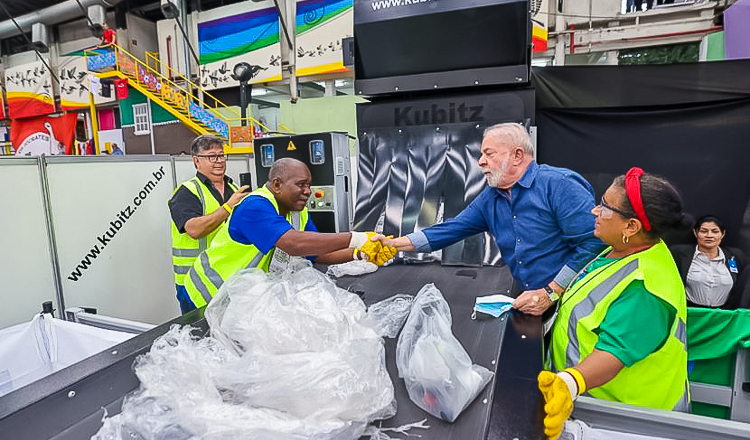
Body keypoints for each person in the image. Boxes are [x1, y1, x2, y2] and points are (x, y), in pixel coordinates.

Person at [529, 168, 690, 440]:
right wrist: (550, 294)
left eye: (604, 207)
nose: (594, 211)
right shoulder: (625, 249)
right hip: (597, 406)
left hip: (627, 421)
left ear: (631, 226)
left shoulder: (646, 289)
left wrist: (570, 382)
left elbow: (614, 353)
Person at [374, 123, 605, 307]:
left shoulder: (560, 185)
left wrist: (551, 291)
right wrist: (395, 244)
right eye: (481, 154)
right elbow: (453, 228)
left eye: (489, 153)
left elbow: (591, 244)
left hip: (570, 298)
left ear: (517, 155)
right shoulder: (491, 197)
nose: (481, 161)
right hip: (530, 297)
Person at [183, 157, 395, 310]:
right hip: (207, 296)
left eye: (309, 186)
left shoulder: (297, 214)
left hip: (242, 297)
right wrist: (358, 237)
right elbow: (293, 244)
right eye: (301, 185)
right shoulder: (254, 206)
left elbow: (316, 254)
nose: (308, 191)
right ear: (277, 184)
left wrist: (360, 253)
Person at [168, 134, 247, 314]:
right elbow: (194, 229)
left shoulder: (234, 190)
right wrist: (228, 207)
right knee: (200, 338)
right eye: (212, 156)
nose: (219, 161)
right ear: (196, 161)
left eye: (221, 155)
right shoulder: (186, 192)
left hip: (228, 279)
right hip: (195, 283)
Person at [670, 215, 748, 309]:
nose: (709, 235)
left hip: (723, 316)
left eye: (715, 231)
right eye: (704, 231)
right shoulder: (679, 254)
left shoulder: (735, 256)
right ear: (696, 233)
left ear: (722, 234)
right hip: (690, 313)